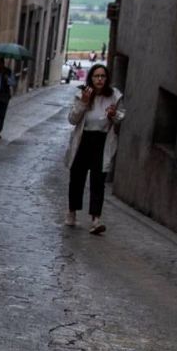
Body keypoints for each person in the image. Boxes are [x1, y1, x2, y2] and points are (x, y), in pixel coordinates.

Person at [65, 63, 123, 234]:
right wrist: (83, 103)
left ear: (107, 79)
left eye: (102, 76)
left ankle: (96, 220)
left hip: (102, 141)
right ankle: (72, 212)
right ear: (91, 78)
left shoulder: (114, 96)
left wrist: (114, 115)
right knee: (77, 177)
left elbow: (121, 116)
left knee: (98, 180)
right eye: (96, 76)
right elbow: (72, 119)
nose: (99, 79)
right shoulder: (82, 94)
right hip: (84, 139)